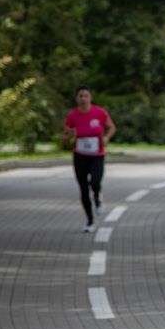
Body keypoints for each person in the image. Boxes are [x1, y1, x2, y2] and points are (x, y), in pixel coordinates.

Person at [63, 86, 116, 233]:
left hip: (97, 155)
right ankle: (90, 221)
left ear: (90, 98)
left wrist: (106, 138)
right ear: (77, 98)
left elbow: (111, 127)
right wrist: (69, 135)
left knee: (95, 181)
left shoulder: (99, 113)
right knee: (83, 188)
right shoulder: (73, 115)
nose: (83, 98)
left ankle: (98, 200)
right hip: (80, 155)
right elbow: (65, 136)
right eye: (80, 96)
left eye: (86, 96)